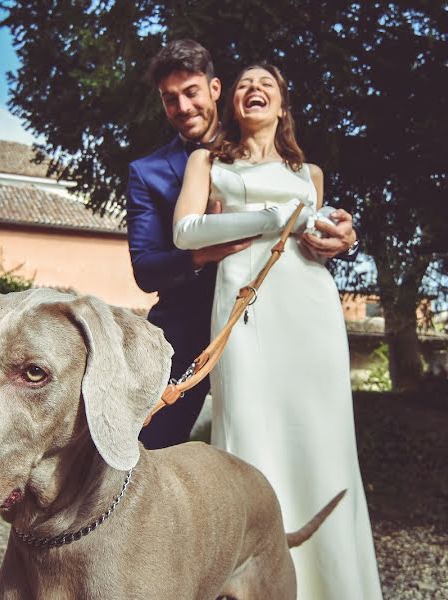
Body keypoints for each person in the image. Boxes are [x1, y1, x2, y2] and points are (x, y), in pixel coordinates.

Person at [171, 63, 383, 599]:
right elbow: (185, 231)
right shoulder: (209, 161)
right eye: (243, 84)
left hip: (310, 313)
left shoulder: (308, 174)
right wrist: (272, 216)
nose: (254, 89)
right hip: (247, 312)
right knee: (250, 435)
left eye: (266, 84)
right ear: (232, 104)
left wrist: (339, 236)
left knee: (323, 441)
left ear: (283, 106)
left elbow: (317, 234)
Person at [127, 40, 358, 450]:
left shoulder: (285, 159)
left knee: (296, 436)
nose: (182, 107)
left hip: (280, 314)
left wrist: (348, 241)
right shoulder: (147, 173)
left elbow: (306, 232)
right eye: (170, 99)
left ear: (216, 90)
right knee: (150, 446)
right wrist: (201, 251)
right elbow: (146, 268)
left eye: (191, 93)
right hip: (189, 326)